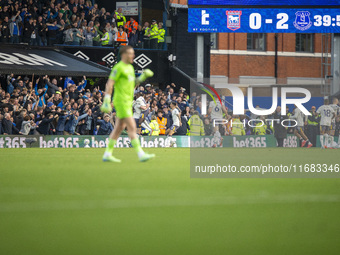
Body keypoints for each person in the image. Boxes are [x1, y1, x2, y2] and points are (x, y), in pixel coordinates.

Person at [100, 45, 155, 162]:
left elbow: (133, 84)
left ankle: (107, 153)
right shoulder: (118, 68)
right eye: (131, 53)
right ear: (124, 55)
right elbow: (110, 83)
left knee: (118, 128)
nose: (133, 56)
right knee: (132, 127)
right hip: (121, 101)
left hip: (128, 101)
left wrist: (142, 77)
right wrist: (106, 99)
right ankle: (141, 154)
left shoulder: (130, 68)